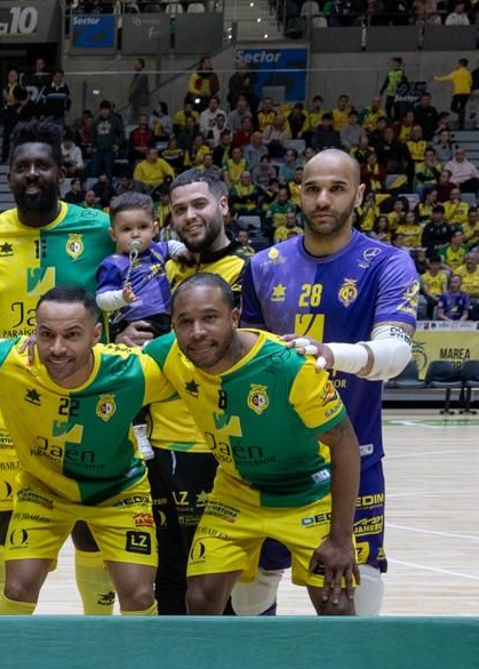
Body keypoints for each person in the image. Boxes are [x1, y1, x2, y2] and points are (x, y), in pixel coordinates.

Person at [239, 150, 419, 617]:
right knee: (250, 595)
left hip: (354, 460)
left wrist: (328, 353)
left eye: (337, 188)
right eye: (312, 188)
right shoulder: (262, 266)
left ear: (359, 195)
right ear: (298, 191)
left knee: (355, 599)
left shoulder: (389, 264)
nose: (323, 199)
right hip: (273, 464)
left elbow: (396, 354)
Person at [0, 286, 174, 615]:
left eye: (72, 335)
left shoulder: (132, 371)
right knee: (17, 588)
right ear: (33, 332)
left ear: (96, 335)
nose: (58, 348)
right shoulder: (13, 359)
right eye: (46, 334)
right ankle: (14, 663)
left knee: (138, 595)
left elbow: (198, 355)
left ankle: (130, 665)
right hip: (44, 491)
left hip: (118, 492)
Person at [0, 118, 114, 615]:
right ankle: (10, 631)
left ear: (61, 172)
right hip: (12, 400)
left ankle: (99, 629)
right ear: (8, 177)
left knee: (90, 518)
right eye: (22, 166)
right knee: (9, 519)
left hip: (86, 397)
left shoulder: (96, 228)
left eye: (42, 165)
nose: (33, 174)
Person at [146, 275, 359, 615]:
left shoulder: (289, 365)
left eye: (210, 317)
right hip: (237, 491)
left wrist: (341, 538)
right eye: (184, 321)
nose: (197, 331)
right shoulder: (169, 352)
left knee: (337, 604)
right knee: (200, 597)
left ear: (234, 317)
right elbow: (111, 365)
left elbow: (345, 444)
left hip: (306, 493)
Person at [130, 169, 249, 615]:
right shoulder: (161, 269)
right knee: (169, 576)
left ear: (223, 206)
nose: (189, 216)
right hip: (161, 445)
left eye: (198, 204)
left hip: (221, 445)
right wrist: (123, 334)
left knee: (226, 584)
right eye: (179, 209)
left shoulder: (248, 270)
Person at [94, 191, 174, 337]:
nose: (135, 234)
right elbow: (101, 300)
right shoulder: (113, 264)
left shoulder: (157, 249)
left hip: (170, 318)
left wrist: (182, 251)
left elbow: (172, 245)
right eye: (126, 229)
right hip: (139, 323)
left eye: (143, 227)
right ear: (113, 235)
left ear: (154, 229)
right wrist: (121, 297)